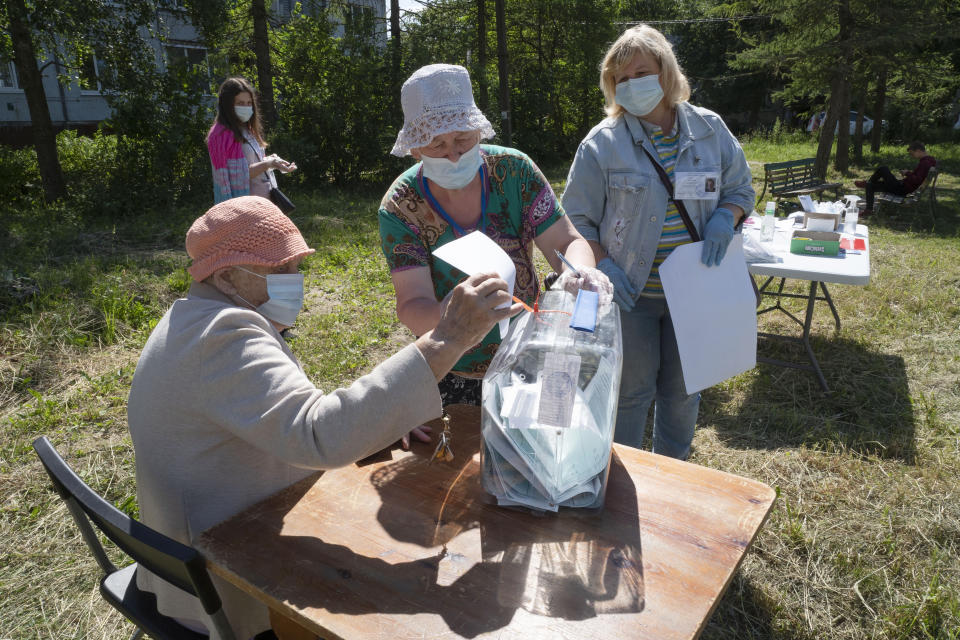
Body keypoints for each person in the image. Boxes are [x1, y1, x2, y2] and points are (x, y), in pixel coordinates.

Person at [127, 196, 521, 640]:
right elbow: (319, 434)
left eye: (295, 267)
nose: (294, 282)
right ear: (225, 275)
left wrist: (388, 413)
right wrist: (446, 339)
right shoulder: (223, 336)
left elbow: (285, 415)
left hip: (202, 553)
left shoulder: (195, 318)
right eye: (280, 271)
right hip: (225, 583)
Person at [378, 64, 611, 447]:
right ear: (414, 146)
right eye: (437, 145)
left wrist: (580, 272)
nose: (453, 156)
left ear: (478, 130)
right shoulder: (401, 206)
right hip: (453, 368)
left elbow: (568, 240)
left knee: (541, 452)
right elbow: (412, 304)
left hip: (529, 353)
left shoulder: (515, 171)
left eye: (464, 139)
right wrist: (457, 315)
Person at [560, 25, 755, 460]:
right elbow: (575, 218)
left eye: (641, 73)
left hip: (698, 291)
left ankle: (674, 473)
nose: (631, 85)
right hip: (631, 295)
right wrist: (603, 263)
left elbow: (740, 190)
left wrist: (727, 216)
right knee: (631, 394)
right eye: (621, 78)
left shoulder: (709, 129)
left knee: (683, 393)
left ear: (666, 72)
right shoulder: (602, 144)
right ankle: (627, 480)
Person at [206, 77, 297, 204]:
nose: (246, 107)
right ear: (227, 105)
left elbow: (253, 163)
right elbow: (236, 176)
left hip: (265, 200)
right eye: (240, 103)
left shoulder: (247, 129)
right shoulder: (220, 135)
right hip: (245, 207)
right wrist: (268, 163)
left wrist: (273, 162)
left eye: (249, 103)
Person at [854, 141, 937, 216]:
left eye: (912, 154)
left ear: (918, 151)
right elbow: (919, 177)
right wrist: (908, 172)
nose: (912, 156)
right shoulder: (928, 161)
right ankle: (868, 210)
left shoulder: (925, 163)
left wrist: (907, 173)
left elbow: (917, 180)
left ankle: (867, 182)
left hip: (902, 189)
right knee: (870, 186)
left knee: (883, 169)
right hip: (902, 187)